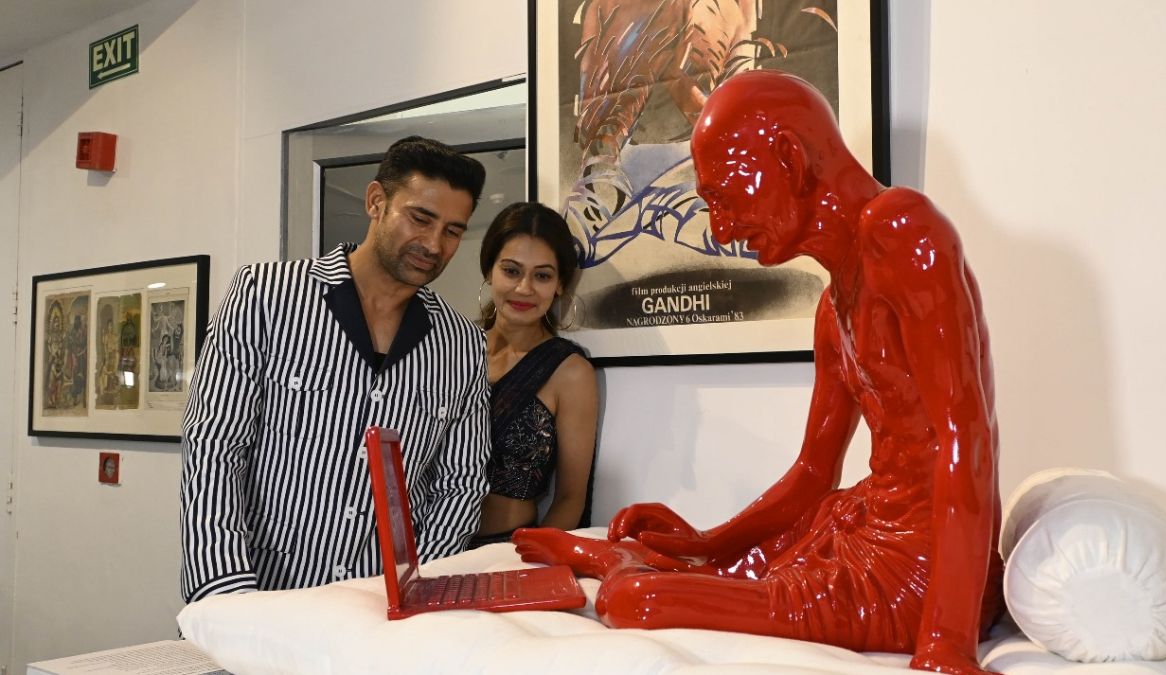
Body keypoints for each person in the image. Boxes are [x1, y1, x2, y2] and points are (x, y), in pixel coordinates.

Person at [514, 71, 1003, 675]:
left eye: (724, 197)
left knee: (633, 601)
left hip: (917, 576)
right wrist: (706, 542)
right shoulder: (833, 309)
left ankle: (615, 565)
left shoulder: (900, 227)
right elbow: (812, 473)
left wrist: (947, 647)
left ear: (789, 160)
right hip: (865, 525)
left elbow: (966, 439)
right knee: (716, 572)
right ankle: (623, 559)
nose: (721, 228)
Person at [180, 136, 490, 602]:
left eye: (452, 231)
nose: (433, 244)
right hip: (261, 599)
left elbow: (459, 485)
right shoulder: (264, 297)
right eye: (420, 218)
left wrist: (414, 595)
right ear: (376, 202)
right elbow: (214, 449)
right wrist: (226, 599)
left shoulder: (461, 343)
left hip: (377, 615)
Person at [469, 203, 598, 548]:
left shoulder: (569, 372)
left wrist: (528, 562)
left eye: (542, 276)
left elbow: (570, 498)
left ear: (559, 284)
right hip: (429, 546)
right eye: (511, 271)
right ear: (489, 271)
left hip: (506, 550)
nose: (524, 288)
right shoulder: (455, 349)